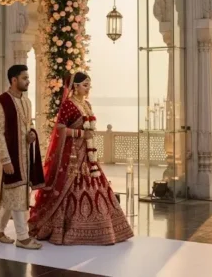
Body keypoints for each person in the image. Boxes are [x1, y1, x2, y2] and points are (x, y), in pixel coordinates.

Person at [28, 72, 133, 245]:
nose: (88, 88)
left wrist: (87, 137)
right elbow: (61, 129)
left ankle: (102, 227)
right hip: (73, 156)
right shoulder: (68, 105)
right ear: (75, 86)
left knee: (97, 186)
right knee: (69, 189)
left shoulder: (87, 104)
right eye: (85, 85)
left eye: (89, 85)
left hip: (88, 154)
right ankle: (66, 227)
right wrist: (81, 133)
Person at [0, 64, 45, 249]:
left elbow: (26, 128)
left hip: (24, 157)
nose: (28, 81)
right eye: (24, 78)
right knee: (16, 194)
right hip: (11, 158)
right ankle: (22, 237)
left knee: (16, 194)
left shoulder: (26, 102)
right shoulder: (2, 102)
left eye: (28, 78)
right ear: (14, 80)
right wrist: (5, 159)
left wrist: (31, 137)